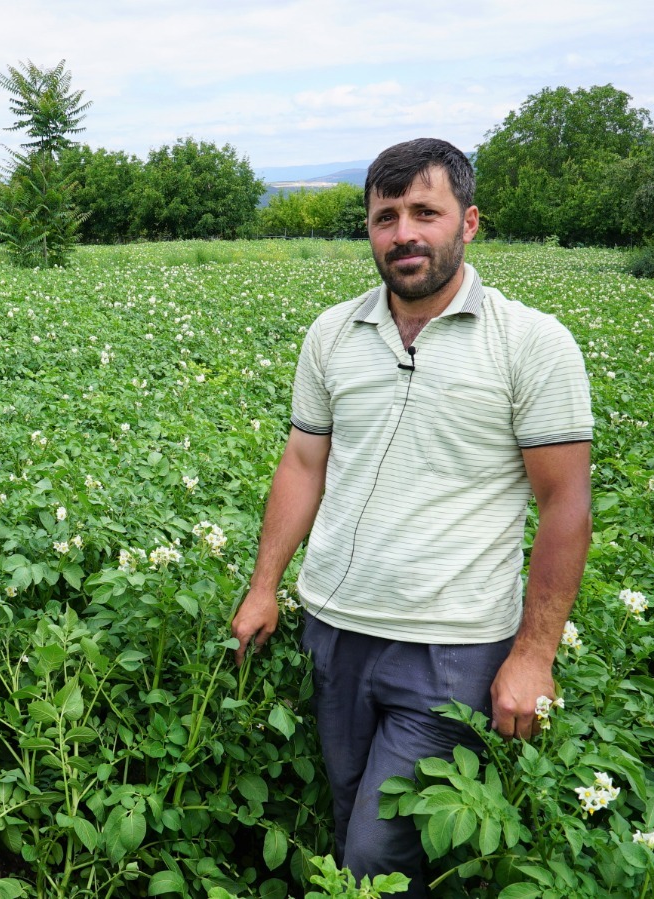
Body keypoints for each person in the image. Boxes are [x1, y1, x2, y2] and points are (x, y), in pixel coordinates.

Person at [230, 138, 592, 895]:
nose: (404, 234)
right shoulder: (333, 333)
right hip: (335, 626)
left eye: (426, 212)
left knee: (375, 851)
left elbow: (565, 504)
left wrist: (534, 654)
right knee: (348, 816)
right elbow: (303, 464)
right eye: (385, 216)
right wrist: (265, 586)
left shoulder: (532, 343)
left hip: (452, 647)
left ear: (469, 222)